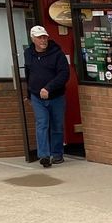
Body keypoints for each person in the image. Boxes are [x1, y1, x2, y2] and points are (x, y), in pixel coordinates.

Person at [23, 24, 69, 168]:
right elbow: (28, 74)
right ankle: (44, 155)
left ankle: (57, 155)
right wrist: (29, 94)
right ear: (33, 39)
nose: (43, 40)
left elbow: (64, 74)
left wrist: (49, 88)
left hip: (56, 96)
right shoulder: (28, 53)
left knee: (56, 126)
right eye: (39, 38)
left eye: (45, 37)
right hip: (37, 96)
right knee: (42, 124)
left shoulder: (57, 54)